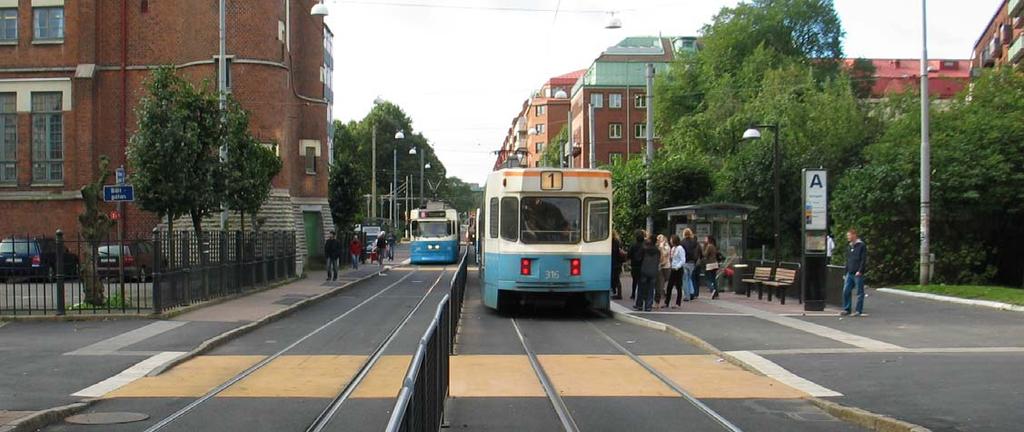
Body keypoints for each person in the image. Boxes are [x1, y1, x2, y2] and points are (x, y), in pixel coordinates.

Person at [841, 229, 868, 317]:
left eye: (849, 235)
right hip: (849, 272)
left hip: (857, 272)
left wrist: (860, 270)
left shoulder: (861, 245)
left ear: (854, 235)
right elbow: (847, 260)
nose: (848, 237)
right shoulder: (849, 246)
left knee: (859, 292)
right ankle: (847, 308)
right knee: (846, 290)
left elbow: (863, 259)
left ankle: (858, 310)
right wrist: (845, 272)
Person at [634, 235, 660, 312]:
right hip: (653, 271)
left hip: (644, 270)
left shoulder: (644, 249)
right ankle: (648, 306)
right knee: (651, 289)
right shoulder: (657, 251)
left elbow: (637, 258)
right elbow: (659, 260)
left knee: (642, 288)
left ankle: (639, 304)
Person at [664, 234, 686, 308]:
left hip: (678, 269)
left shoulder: (680, 248)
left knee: (678, 286)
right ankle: (666, 302)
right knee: (669, 286)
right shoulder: (673, 248)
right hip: (673, 268)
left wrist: (677, 266)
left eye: (671, 239)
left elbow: (683, 260)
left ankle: (678, 303)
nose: (670, 241)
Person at [680, 228, 702, 300]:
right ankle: (692, 291)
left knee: (685, 279)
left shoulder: (682, 242)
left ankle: (687, 295)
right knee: (690, 278)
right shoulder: (694, 242)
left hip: (685, 261)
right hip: (692, 262)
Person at [628, 229, 645, 300]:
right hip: (643, 265)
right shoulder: (645, 245)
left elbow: (629, 254)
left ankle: (633, 294)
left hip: (634, 265)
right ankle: (642, 294)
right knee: (642, 281)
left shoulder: (633, 245)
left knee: (634, 280)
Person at [656, 234, 671, 309]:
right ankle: (658, 300)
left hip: (666, 266)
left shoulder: (667, 246)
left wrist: (661, 247)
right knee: (660, 283)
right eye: (658, 238)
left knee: (667, 281)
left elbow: (665, 254)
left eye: (660, 238)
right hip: (660, 267)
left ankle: (664, 293)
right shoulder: (657, 246)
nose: (659, 240)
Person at [611, 231, 626, 300]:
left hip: (614, 262)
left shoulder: (613, 242)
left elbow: (614, 251)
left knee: (615, 278)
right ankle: (617, 292)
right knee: (616, 278)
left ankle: (618, 294)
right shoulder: (618, 241)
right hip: (618, 262)